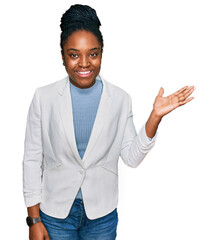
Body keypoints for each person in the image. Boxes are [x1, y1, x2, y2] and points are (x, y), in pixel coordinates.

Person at [22, 4, 195, 240]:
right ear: (62, 55)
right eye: (74, 54)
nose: (84, 63)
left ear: (102, 53)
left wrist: (155, 117)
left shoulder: (120, 99)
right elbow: (32, 160)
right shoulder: (44, 98)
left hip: (101, 217)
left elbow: (131, 158)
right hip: (54, 215)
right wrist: (34, 220)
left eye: (93, 53)